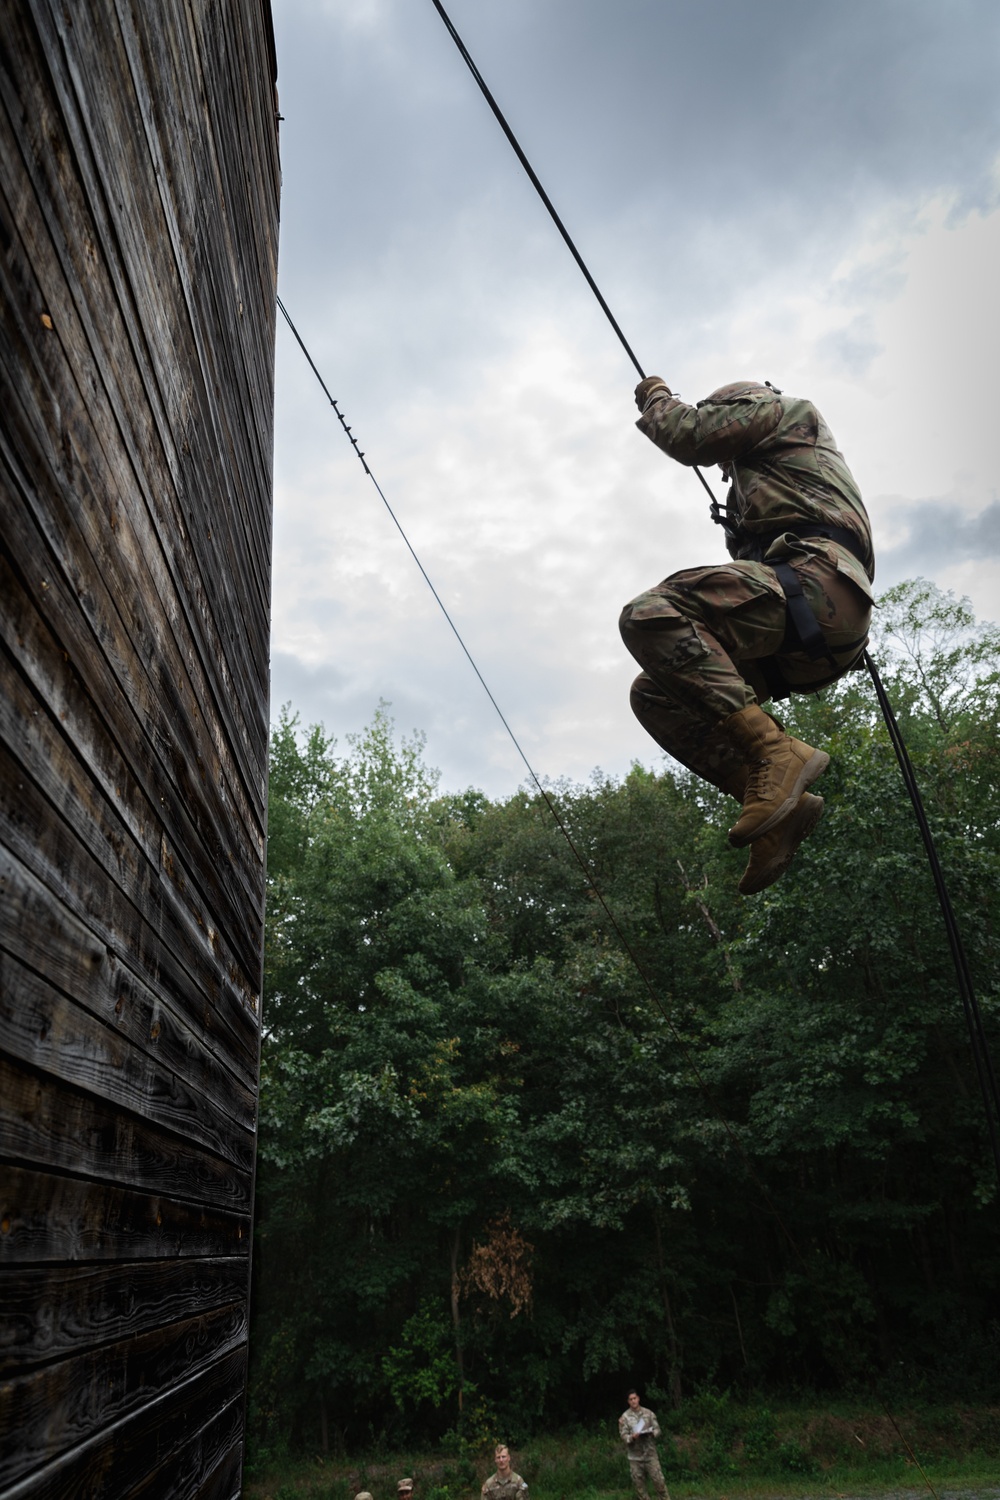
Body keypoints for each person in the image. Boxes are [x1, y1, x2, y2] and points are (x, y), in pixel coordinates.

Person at [620, 378, 875, 894]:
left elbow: (687, 434)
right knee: (655, 694)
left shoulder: (781, 410)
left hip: (817, 586)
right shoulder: (768, 485)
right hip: (807, 635)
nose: (722, 468)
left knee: (651, 613)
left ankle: (773, 752)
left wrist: (655, 396)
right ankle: (780, 808)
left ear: (735, 405)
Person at [618, 1389, 669, 1500]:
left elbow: (658, 1429)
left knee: (659, 1482)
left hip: (650, 1454)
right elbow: (623, 1435)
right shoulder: (625, 1417)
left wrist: (652, 1433)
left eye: (634, 1398)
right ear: (628, 1401)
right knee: (639, 1488)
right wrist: (632, 1437)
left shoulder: (649, 1413)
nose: (633, 1401)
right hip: (635, 1457)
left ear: (638, 1398)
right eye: (630, 1399)